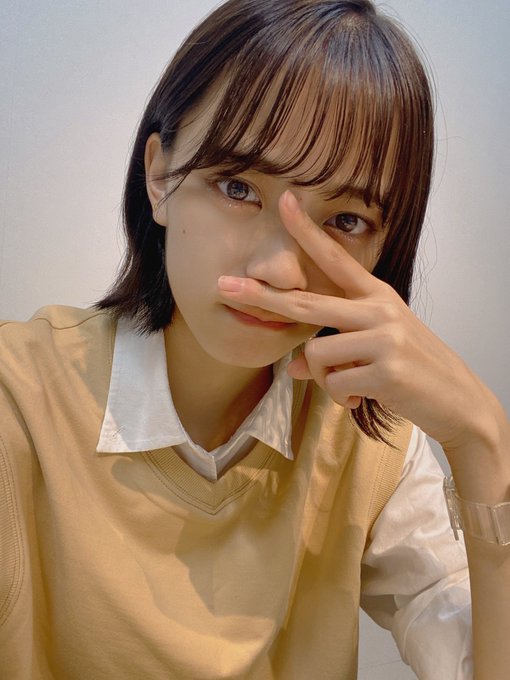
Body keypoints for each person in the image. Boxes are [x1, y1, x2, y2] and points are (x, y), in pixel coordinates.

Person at [1, 0, 508, 678]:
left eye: (345, 220)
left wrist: (482, 444)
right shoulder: (20, 402)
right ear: (160, 176)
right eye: (238, 187)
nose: (278, 270)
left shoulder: (365, 442)